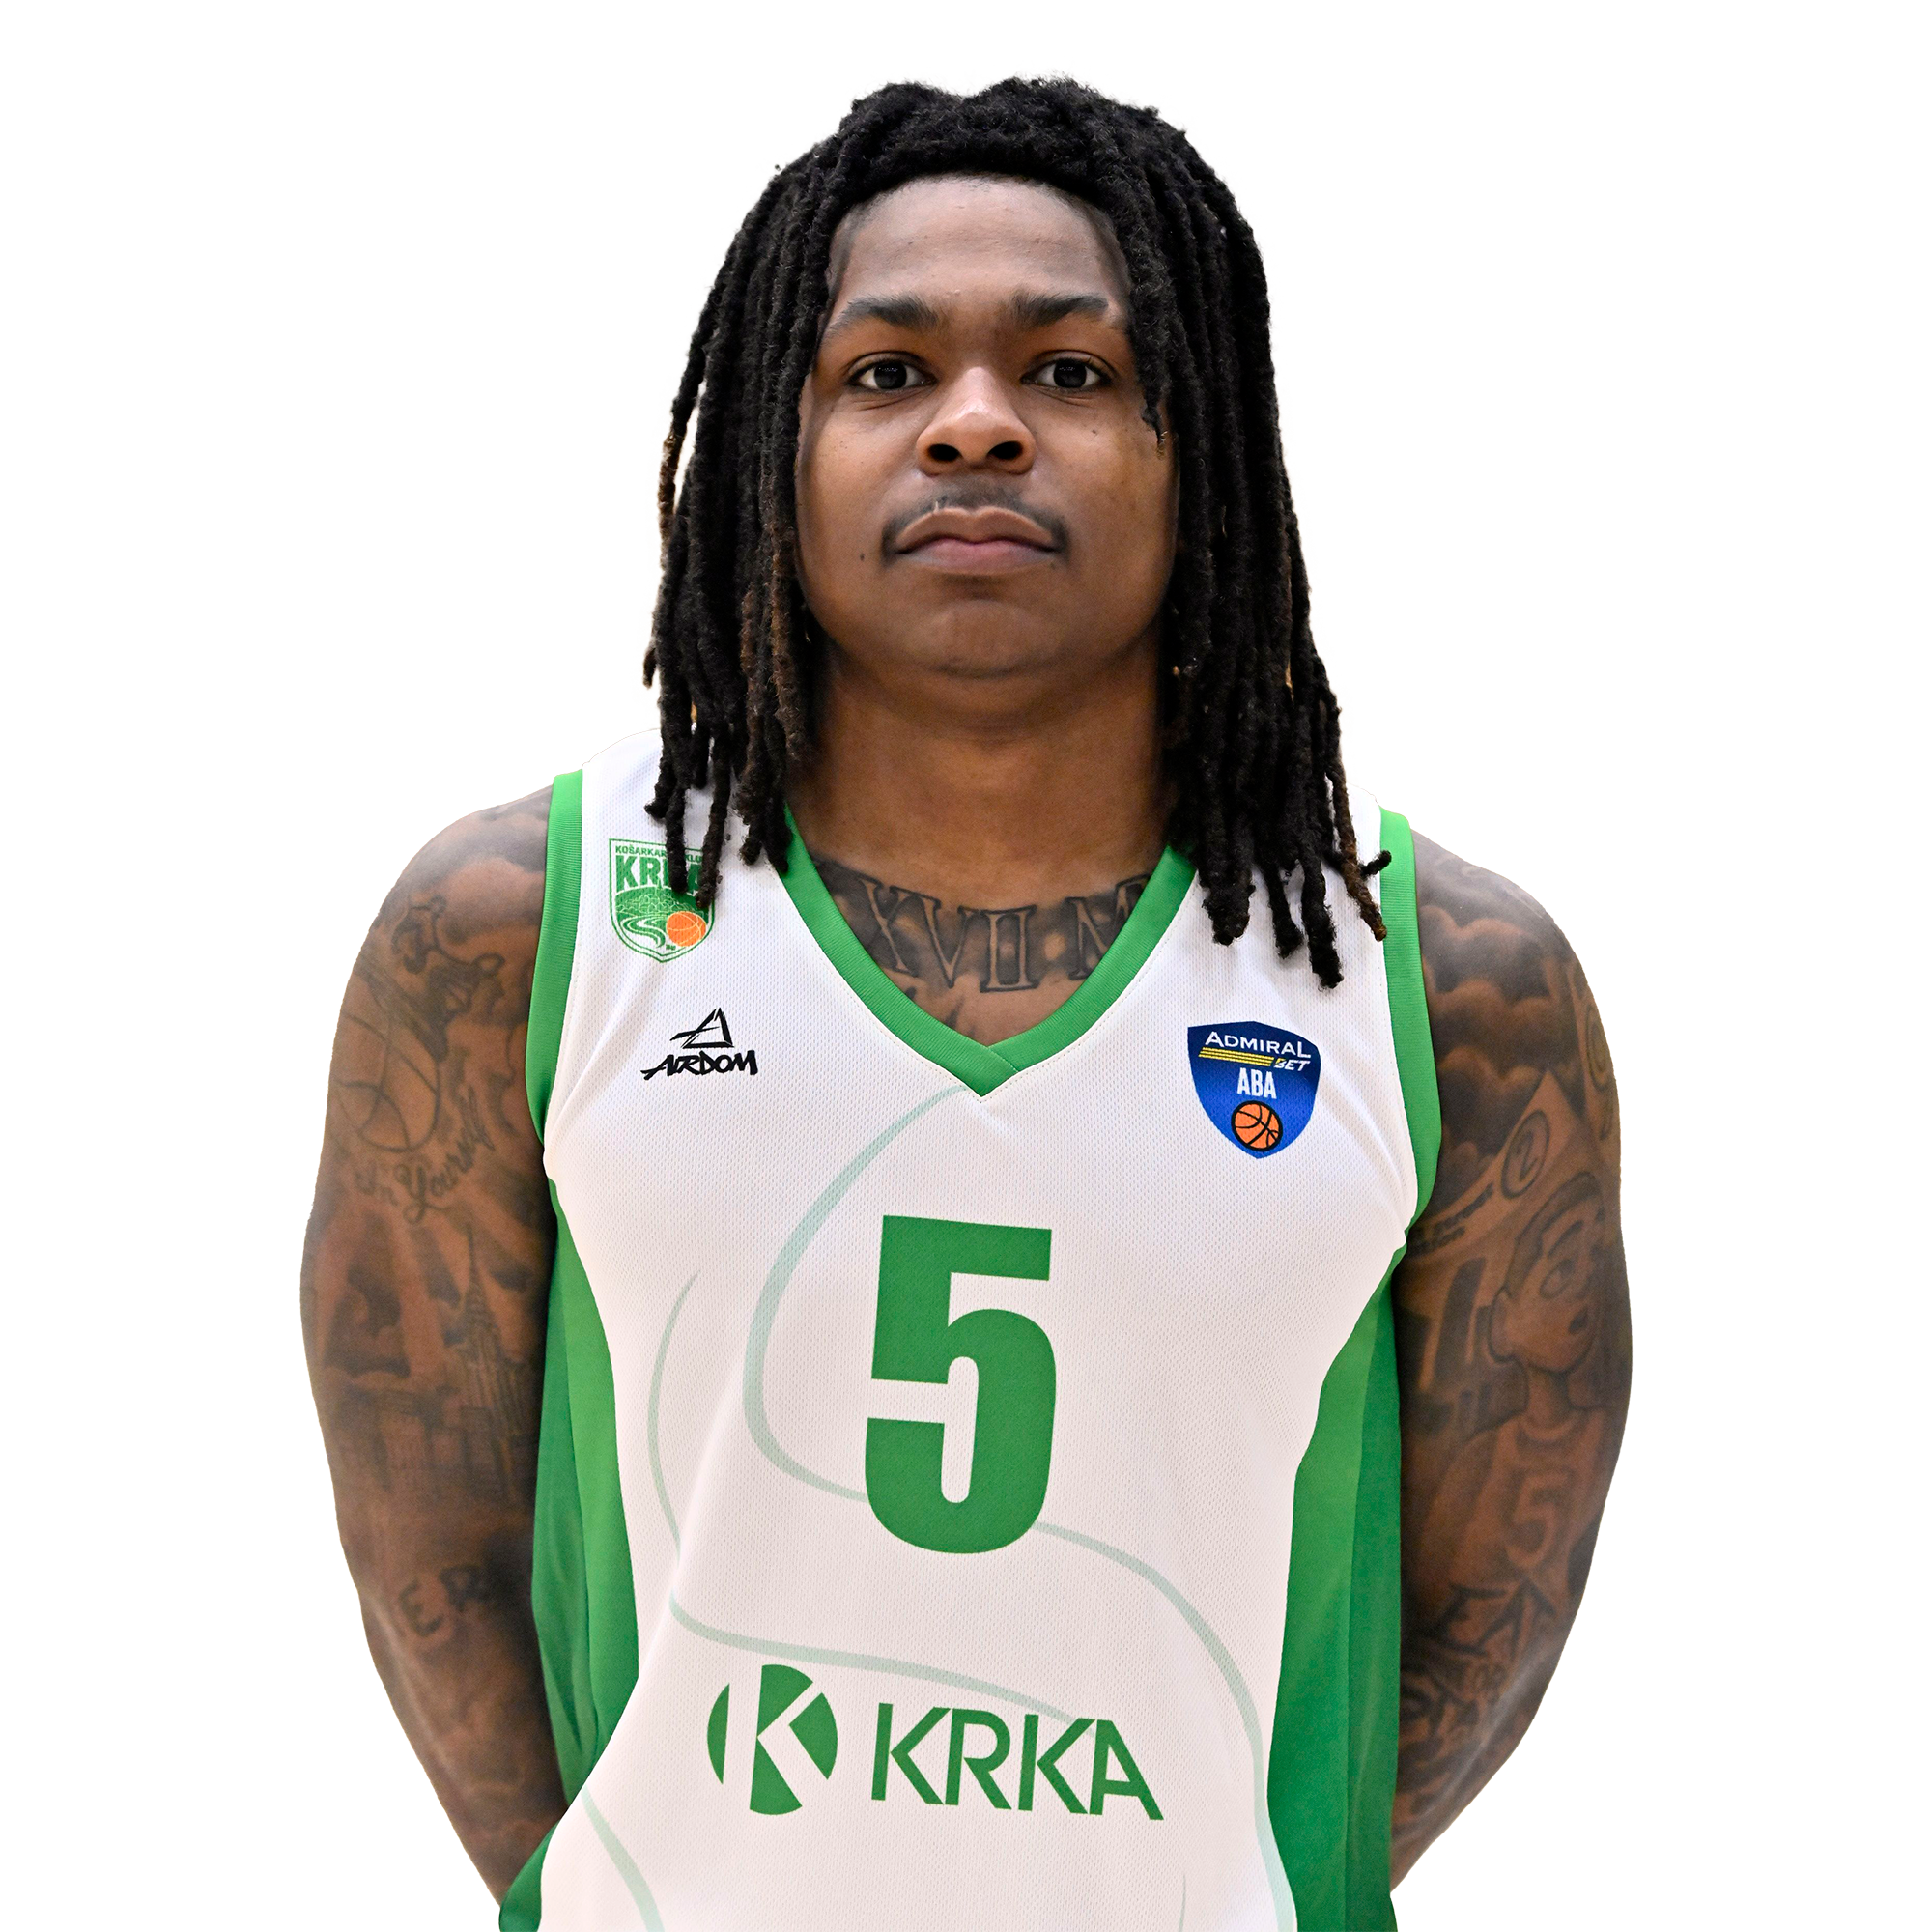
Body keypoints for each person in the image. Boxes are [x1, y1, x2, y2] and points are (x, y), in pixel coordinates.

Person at [302, 72, 1631, 1932]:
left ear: (1201, 447)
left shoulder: (1450, 981)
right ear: (776, 448)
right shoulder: (521, 931)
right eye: (886, 372)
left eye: (1073, 372)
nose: (978, 424)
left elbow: (1495, 1599)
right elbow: (430, 1552)